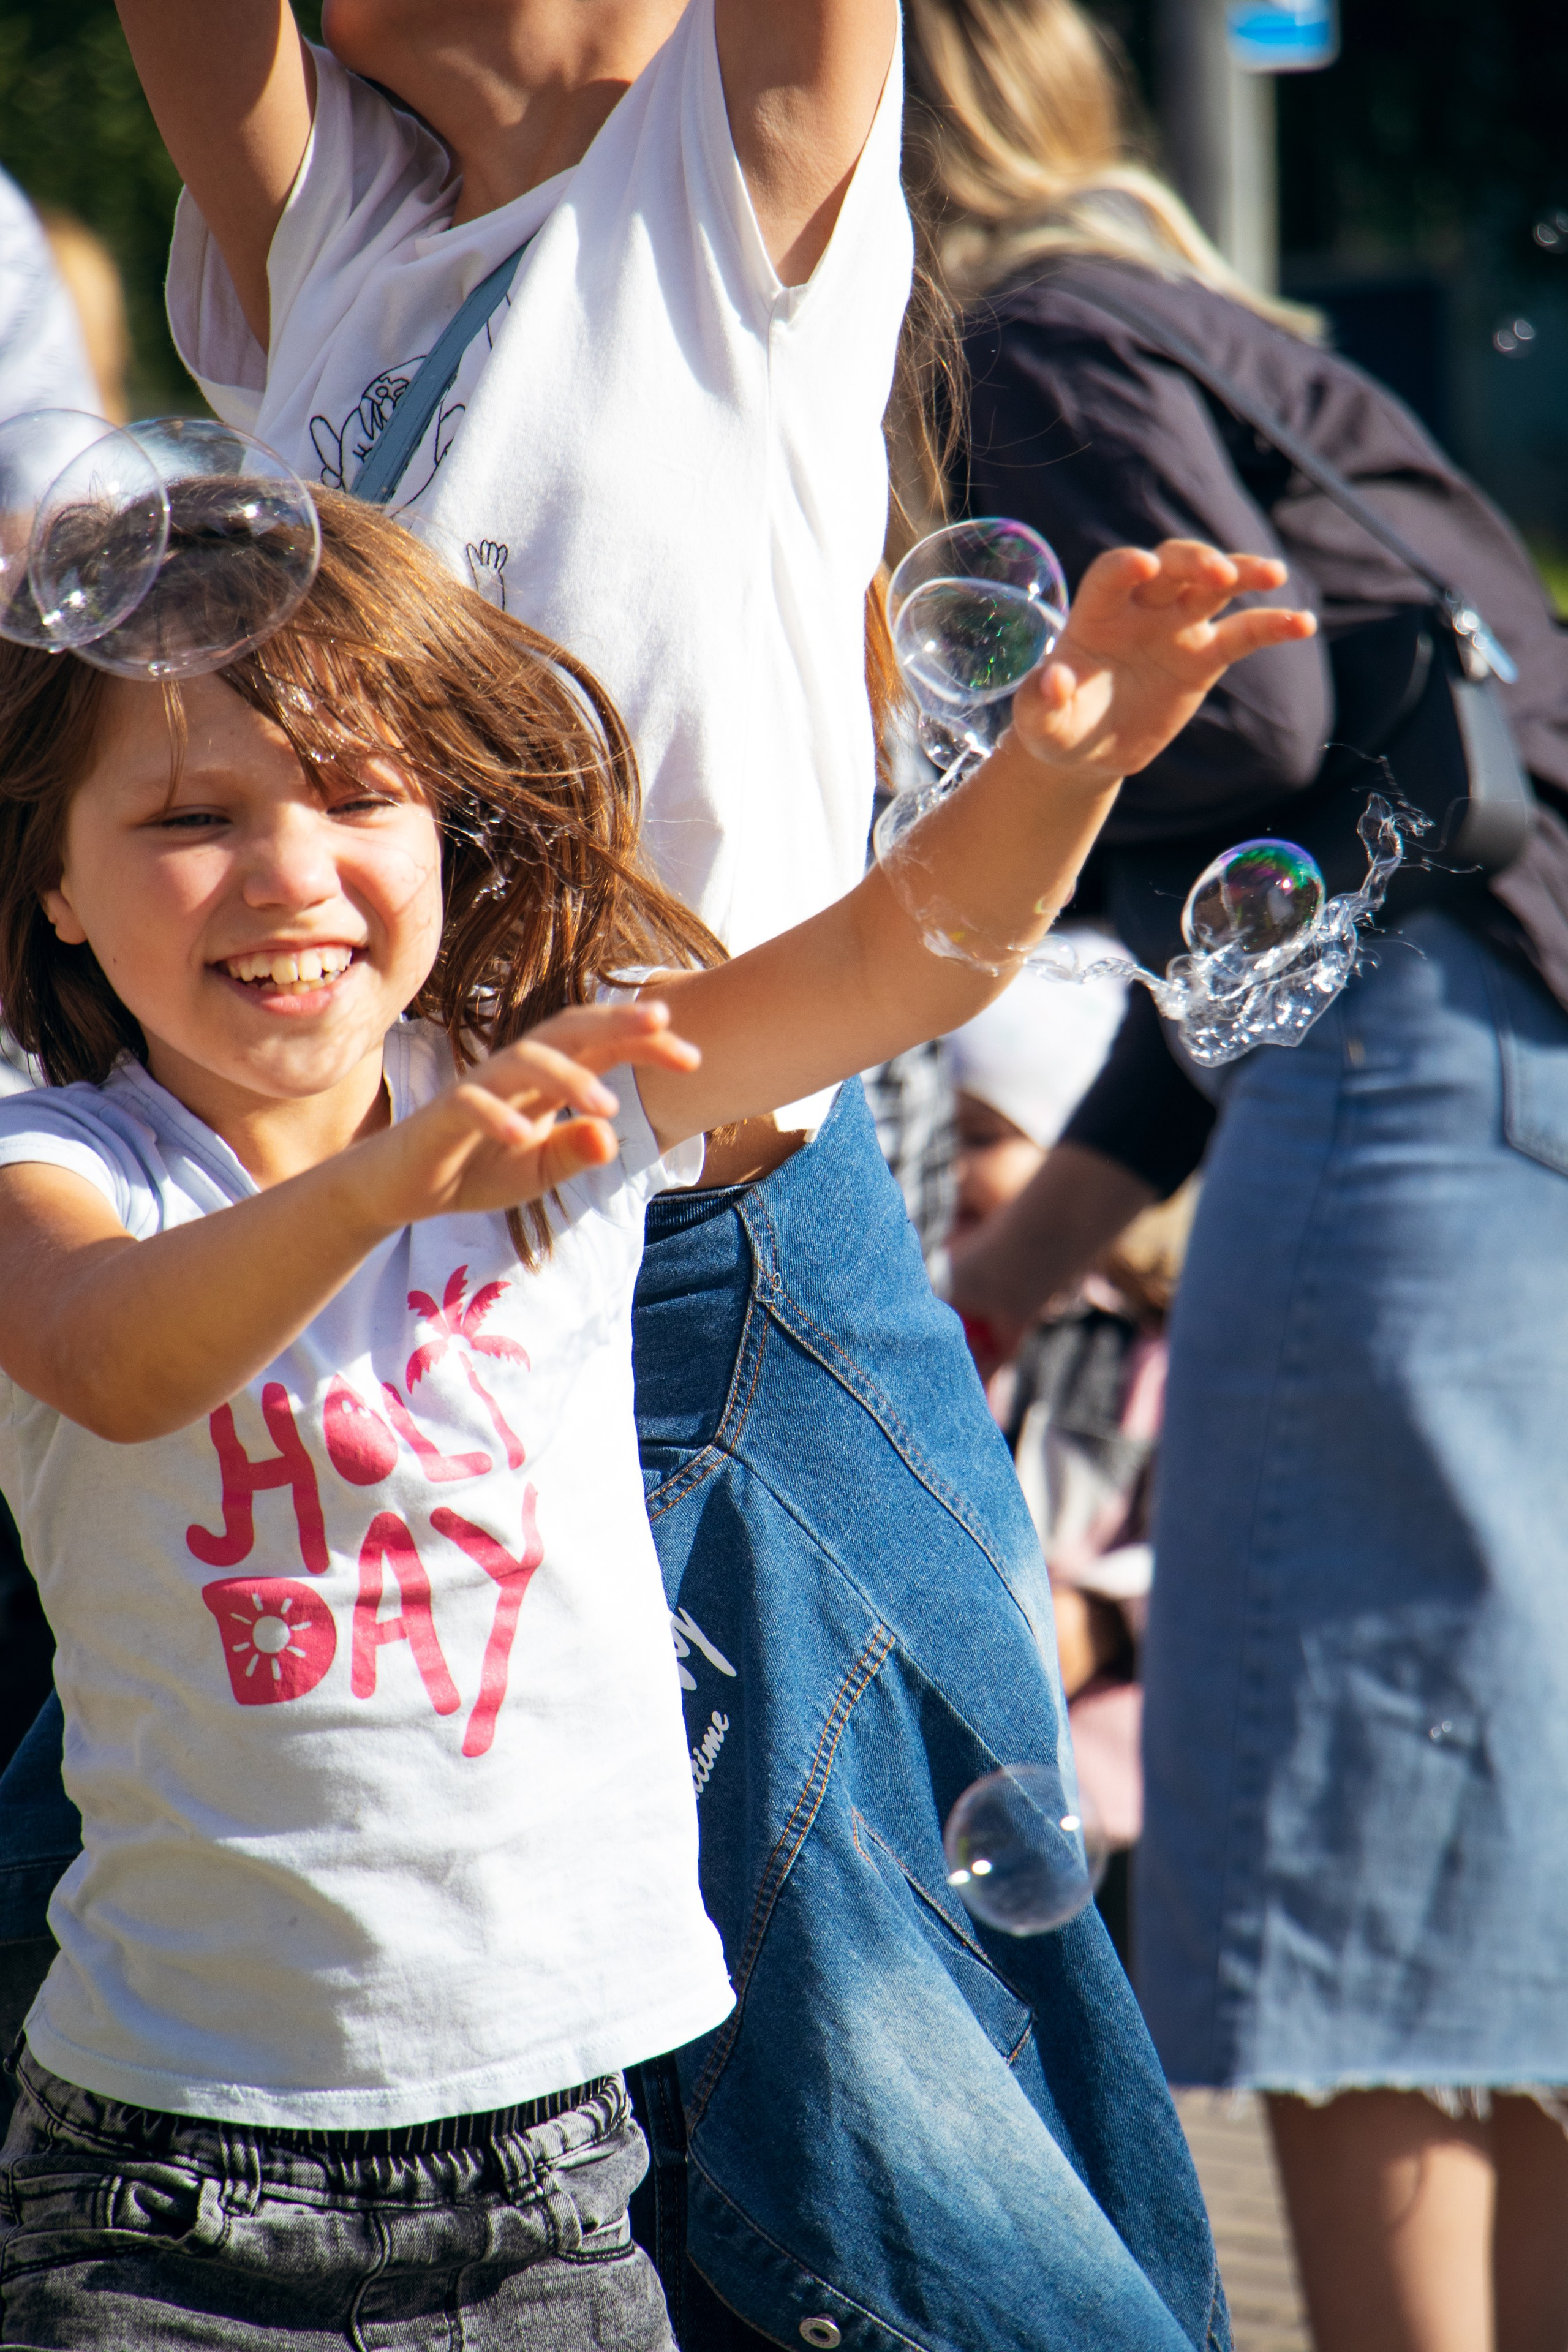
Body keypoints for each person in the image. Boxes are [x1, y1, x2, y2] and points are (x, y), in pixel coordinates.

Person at [0, 0, 1267, 2335]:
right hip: (310, 1235)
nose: (281, 860)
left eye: (344, 798)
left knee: (901, 2136)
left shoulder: (728, 159)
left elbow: (892, 955)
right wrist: (381, 1182)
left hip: (683, 1249)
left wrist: (1063, 770)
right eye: (189, 818)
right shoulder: (336, 219)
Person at [903, 2, 1568, 2346]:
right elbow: (1288, 897)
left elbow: (1260, 718)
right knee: (1483, 1884)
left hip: (1402, 1089)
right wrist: (1011, 1276)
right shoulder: (1196, 323)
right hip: (1494, 1066)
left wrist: (998, 811)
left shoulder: (1029, 337)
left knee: (1341, 1870)